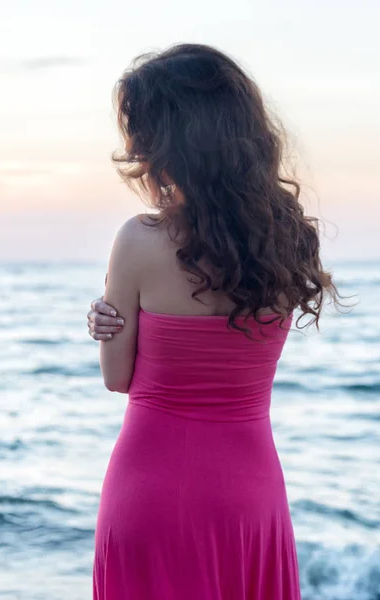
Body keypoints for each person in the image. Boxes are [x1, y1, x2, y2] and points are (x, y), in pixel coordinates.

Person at [86, 43, 339, 600]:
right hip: (250, 491)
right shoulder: (288, 241)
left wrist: (107, 320)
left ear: (165, 143)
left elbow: (117, 378)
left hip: (150, 489)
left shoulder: (139, 241)